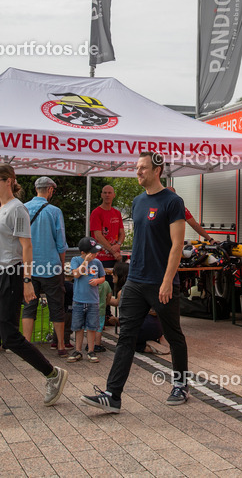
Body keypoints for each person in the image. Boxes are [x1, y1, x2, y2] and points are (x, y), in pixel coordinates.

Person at [81, 152, 189, 413]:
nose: (137, 171)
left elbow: (177, 246)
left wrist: (166, 282)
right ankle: (113, 395)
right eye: (137, 167)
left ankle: (181, 385)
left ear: (157, 170)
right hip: (136, 280)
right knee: (126, 337)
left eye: (142, 168)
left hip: (161, 283)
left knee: (173, 335)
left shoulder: (173, 202)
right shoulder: (138, 202)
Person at [0, 164, 67, 408]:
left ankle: (53, 374)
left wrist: (27, 281)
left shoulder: (18, 209)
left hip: (10, 274)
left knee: (9, 336)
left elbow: (26, 247)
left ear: (9, 181)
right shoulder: (1, 209)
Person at [23, 176, 69, 356]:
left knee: (29, 306)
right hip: (51, 266)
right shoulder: (55, 211)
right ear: (50, 190)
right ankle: (61, 346)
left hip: (30, 267)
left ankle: (26, 345)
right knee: (56, 306)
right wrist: (62, 265)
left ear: (36, 189)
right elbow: (61, 242)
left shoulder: (23, 209)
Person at [66, 244, 105, 363]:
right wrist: (86, 262)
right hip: (79, 300)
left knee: (92, 326)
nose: (95, 254)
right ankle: (78, 350)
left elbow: (103, 277)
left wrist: (97, 281)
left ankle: (91, 350)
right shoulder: (76, 260)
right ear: (83, 252)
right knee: (78, 327)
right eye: (92, 252)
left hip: (93, 300)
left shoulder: (97, 262)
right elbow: (76, 274)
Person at [90, 185, 125, 269]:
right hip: (100, 258)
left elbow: (122, 233)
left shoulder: (117, 213)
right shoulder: (96, 213)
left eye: (109, 193)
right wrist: (113, 251)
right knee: (103, 282)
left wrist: (118, 244)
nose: (107, 195)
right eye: (105, 193)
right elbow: (98, 236)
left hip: (116, 257)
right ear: (101, 195)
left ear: (114, 195)